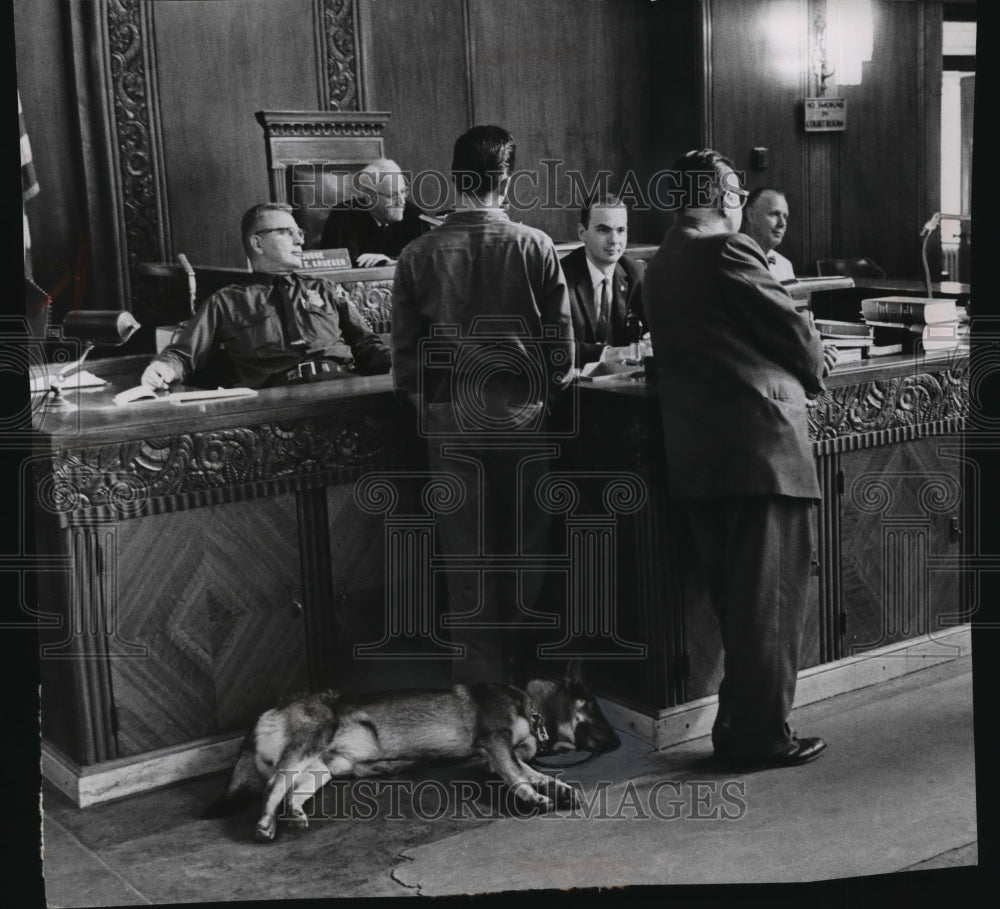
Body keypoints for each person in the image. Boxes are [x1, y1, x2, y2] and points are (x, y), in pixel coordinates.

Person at [644, 149, 838, 769]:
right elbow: (788, 327)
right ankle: (759, 738)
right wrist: (815, 363)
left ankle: (739, 727)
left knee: (740, 604)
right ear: (725, 197)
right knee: (771, 606)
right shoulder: (725, 249)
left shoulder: (661, 259)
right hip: (761, 451)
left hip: (701, 456)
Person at [391, 125, 574, 684]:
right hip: (521, 422)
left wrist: (431, 409)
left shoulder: (417, 254)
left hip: (450, 424)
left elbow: (404, 361)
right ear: (508, 181)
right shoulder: (535, 245)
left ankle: (479, 704)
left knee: (465, 561)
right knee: (528, 553)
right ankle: (527, 693)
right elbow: (561, 352)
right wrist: (539, 396)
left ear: (453, 178)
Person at [141, 202, 390, 390]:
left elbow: (367, 346)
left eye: (299, 232)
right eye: (285, 232)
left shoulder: (324, 288)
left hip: (342, 387)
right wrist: (162, 369)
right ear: (257, 244)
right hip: (278, 398)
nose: (299, 240)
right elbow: (182, 355)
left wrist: (406, 360)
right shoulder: (227, 301)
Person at [561, 194, 645, 365]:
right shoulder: (561, 276)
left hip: (621, 382)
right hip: (573, 385)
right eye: (603, 230)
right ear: (582, 232)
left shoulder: (634, 273)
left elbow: (652, 332)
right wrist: (612, 354)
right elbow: (555, 347)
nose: (614, 240)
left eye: (621, 230)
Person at [319, 159, 429, 267]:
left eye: (403, 192)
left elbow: (426, 259)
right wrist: (383, 264)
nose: (401, 201)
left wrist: (391, 262)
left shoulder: (415, 216)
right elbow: (340, 264)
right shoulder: (343, 215)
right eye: (392, 195)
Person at [741, 187, 795, 281]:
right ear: (751, 215)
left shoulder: (785, 266)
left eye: (785, 216)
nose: (782, 224)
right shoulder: (730, 260)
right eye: (774, 214)